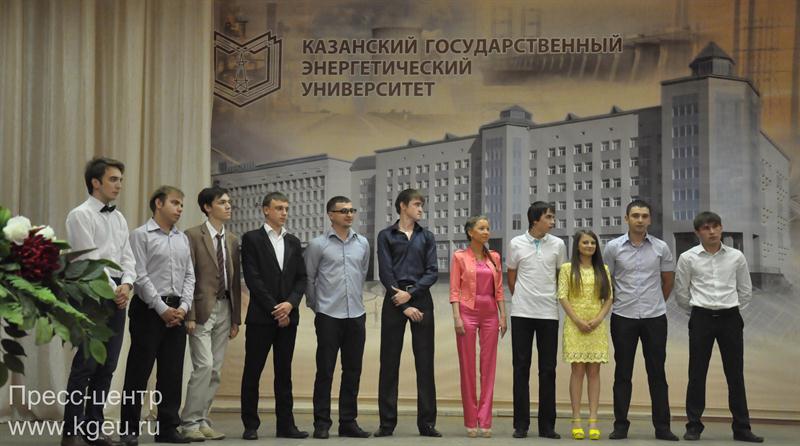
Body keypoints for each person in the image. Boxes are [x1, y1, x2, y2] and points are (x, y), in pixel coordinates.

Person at [62, 157, 136, 446]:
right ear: (96, 182)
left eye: (120, 180)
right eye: (113, 179)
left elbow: (128, 257)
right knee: (86, 364)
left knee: (108, 365)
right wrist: (114, 289)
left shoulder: (119, 218)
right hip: (92, 294)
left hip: (118, 294)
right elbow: (89, 259)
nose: (119, 185)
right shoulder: (79, 215)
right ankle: (71, 430)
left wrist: (127, 284)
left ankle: (94, 428)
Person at [674, 212, 763, 443]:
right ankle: (694, 426)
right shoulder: (687, 258)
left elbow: (745, 290)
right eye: (706, 228)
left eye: (715, 226)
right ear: (698, 232)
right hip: (701, 317)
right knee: (697, 373)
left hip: (730, 318)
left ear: (721, 228)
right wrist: (696, 312)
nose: (712, 232)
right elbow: (681, 293)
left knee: (735, 374)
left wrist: (730, 310)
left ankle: (742, 428)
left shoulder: (736, 257)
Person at [121, 186, 195, 445]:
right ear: (158, 204)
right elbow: (139, 276)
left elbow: (189, 275)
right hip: (148, 311)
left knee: (172, 373)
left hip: (177, 311)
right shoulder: (140, 235)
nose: (180, 208)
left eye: (181, 204)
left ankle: (167, 428)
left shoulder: (182, 238)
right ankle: (129, 430)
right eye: (175, 203)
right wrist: (162, 309)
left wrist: (184, 307)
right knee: (138, 371)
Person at [604, 200, 678, 441]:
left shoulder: (661, 248)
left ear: (650, 220)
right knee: (622, 373)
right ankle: (620, 426)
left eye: (644, 216)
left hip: (654, 318)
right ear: (627, 218)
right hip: (623, 317)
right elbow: (607, 279)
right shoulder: (613, 247)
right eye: (635, 215)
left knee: (657, 373)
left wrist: (656, 302)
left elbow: (668, 281)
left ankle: (663, 427)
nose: (640, 220)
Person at [240, 191, 308, 440]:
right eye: (279, 208)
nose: (284, 213)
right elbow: (253, 279)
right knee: (253, 371)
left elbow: (301, 278)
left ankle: (286, 425)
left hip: (289, 317)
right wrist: (275, 308)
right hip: (261, 317)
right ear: (265, 210)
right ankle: (250, 425)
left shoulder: (293, 241)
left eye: (286, 208)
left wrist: (290, 304)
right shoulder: (252, 239)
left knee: (284, 373)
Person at [304, 196, 372, 439]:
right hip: (328, 315)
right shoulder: (317, 245)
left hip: (356, 314)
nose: (349, 214)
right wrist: (317, 307)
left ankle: (348, 422)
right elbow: (309, 278)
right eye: (343, 211)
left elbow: (362, 272)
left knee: (353, 370)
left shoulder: (362, 243)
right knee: (325, 371)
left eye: (352, 210)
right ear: (330, 215)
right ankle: (321, 423)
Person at [375, 189, 440, 438]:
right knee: (389, 362)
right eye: (417, 204)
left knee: (425, 363)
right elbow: (385, 272)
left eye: (422, 205)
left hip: (421, 299)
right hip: (394, 301)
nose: (421, 209)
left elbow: (432, 271)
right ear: (403, 206)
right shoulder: (385, 236)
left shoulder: (427, 236)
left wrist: (411, 296)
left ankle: (427, 424)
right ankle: (386, 423)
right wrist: (403, 304)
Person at [180, 187, 242, 441]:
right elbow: (189, 276)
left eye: (229, 202)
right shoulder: (193, 235)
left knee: (215, 369)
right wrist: (190, 314)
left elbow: (235, 280)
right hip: (202, 308)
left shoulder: (232, 239)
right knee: (203, 366)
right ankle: (189, 422)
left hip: (226, 307)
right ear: (207, 207)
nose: (228, 206)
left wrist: (236, 319)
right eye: (222, 202)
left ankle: (203, 419)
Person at [506, 201, 566, 439]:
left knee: (548, 369)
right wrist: (523, 298)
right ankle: (521, 424)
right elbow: (512, 277)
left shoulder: (558, 244)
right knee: (521, 368)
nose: (553, 221)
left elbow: (560, 276)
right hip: (522, 313)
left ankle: (547, 426)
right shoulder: (516, 243)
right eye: (549, 217)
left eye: (553, 217)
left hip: (549, 313)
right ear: (535, 220)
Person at [449, 215, 506, 438]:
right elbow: (454, 290)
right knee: (467, 367)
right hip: (466, 312)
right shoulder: (459, 257)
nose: (486, 232)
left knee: (488, 368)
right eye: (481, 228)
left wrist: (503, 316)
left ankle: (485, 420)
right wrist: (456, 317)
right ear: (470, 232)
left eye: (488, 228)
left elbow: (499, 290)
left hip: (490, 314)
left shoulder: (495, 257)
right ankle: (471, 420)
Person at [558, 230, 613, 441]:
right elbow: (562, 296)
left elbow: (609, 298)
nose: (590, 246)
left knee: (594, 372)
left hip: (596, 326)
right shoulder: (567, 269)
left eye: (593, 243)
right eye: (585, 242)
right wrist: (577, 320)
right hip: (575, 325)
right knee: (578, 371)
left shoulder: (603, 269)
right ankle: (576, 420)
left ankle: (593, 420)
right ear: (577, 246)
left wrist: (598, 319)